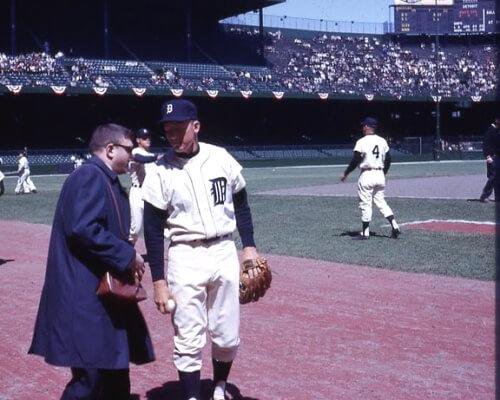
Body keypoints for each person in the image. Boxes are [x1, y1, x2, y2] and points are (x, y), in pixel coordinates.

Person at [142, 99, 261, 400]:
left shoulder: (220, 158)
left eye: (179, 129)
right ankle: (193, 396)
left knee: (227, 332)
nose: (172, 135)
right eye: (167, 130)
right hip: (185, 255)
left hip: (223, 250)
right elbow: (153, 231)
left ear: (195, 126)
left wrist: (248, 247)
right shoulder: (159, 170)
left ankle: (219, 386)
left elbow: (242, 205)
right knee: (188, 333)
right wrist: (158, 281)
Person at [29, 123, 155, 399]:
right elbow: (82, 228)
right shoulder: (88, 176)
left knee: (114, 376)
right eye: (128, 148)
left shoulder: (103, 177)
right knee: (90, 381)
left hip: (99, 299)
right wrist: (128, 256)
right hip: (84, 297)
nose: (132, 153)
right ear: (110, 150)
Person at [340, 117, 400, 239]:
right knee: (381, 202)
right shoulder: (382, 141)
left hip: (367, 174)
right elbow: (388, 159)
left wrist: (346, 173)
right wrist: (384, 172)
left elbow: (355, 160)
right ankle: (395, 226)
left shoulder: (361, 141)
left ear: (367, 127)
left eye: (364, 126)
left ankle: (365, 233)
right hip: (379, 174)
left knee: (365, 203)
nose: (362, 128)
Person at [128, 128, 159, 244]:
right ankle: (127, 252)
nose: (148, 139)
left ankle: (153, 255)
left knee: (152, 226)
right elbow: (140, 159)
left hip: (150, 193)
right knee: (135, 228)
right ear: (138, 140)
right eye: (144, 137)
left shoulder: (151, 154)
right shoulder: (135, 151)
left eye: (148, 137)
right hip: (137, 192)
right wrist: (156, 157)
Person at [479, 116, 500, 203]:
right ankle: (484, 196)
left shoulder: (497, 131)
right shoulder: (491, 130)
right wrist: (488, 156)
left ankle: (498, 198)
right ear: (497, 120)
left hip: (497, 157)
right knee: (493, 177)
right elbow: (485, 144)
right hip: (492, 157)